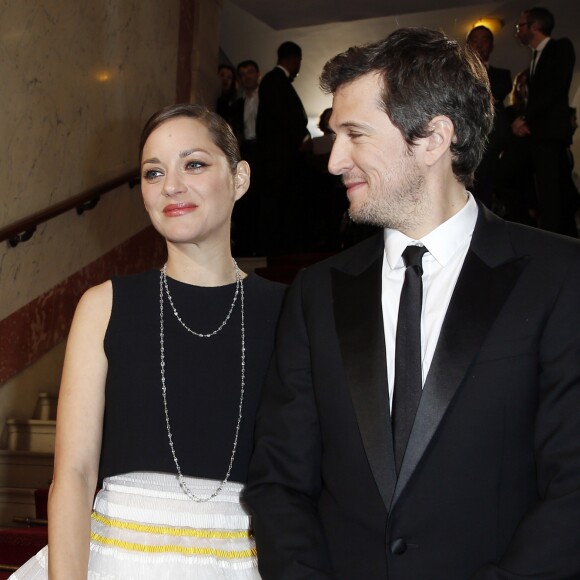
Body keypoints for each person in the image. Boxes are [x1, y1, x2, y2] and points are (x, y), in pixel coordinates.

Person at [245, 27, 580, 580]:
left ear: (433, 138)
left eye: (355, 134)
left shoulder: (560, 277)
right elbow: (280, 481)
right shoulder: (315, 294)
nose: (334, 161)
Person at [11, 104, 286, 579]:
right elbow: (74, 476)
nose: (171, 186)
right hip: (113, 560)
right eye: (153, 172)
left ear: (240, 178)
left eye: (194, 164)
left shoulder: (289, 311)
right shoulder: (104, 305)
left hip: (241, 563)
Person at [513, 7, 576, 236]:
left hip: (550, 134)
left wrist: (525, 118)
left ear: (535, 27)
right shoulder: (533, 58)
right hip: (539, 134)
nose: (517, 31)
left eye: (520, 26)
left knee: (553, 192)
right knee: (548, 190)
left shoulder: (560, 48)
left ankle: (556, 239)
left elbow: (553, 90)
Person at [255, 41, 311, 254]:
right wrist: (302, 137)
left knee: (281, 204)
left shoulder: (277, 82)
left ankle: (280, 246)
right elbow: (282, 115)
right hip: (276, 159)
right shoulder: (273, 80)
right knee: (273, 203)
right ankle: (270, 249)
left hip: (281, 159)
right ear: (295, 60)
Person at [466, 25, 512, 209]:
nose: (479, 45)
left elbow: (494, 94)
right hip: (465, 141)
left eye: (484, 40)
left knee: (488, 187)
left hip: (493, 143)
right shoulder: (456, 74)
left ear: (491, 45)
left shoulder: (502, 76)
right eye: (474, 41)